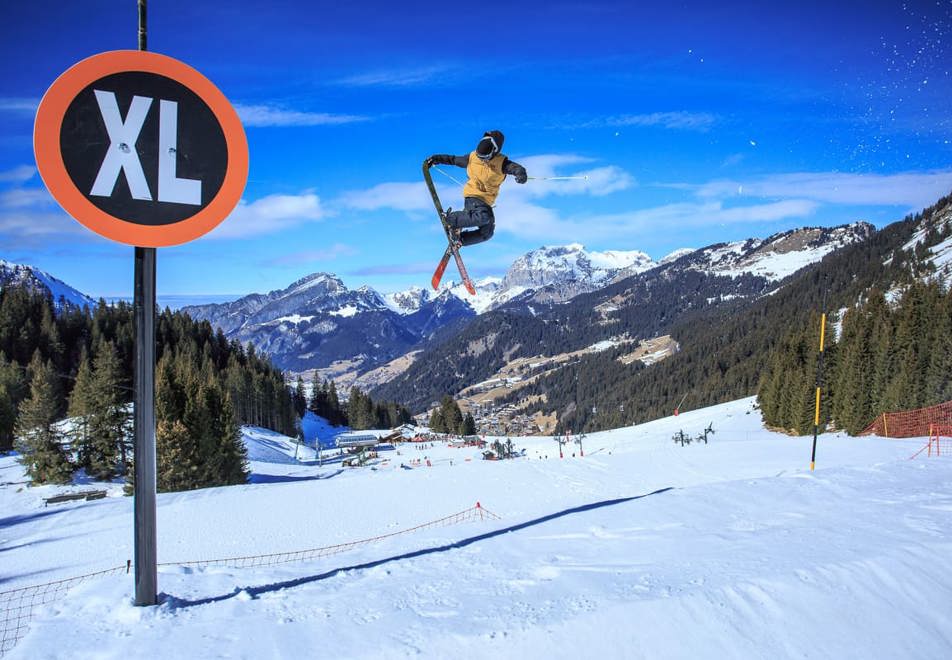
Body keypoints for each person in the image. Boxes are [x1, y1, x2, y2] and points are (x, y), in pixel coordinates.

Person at [426, 130, 527, 247]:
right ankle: (451, 220)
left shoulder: (501, 163)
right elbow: (453, 159)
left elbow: (516, 168)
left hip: (486, 202)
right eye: (480, 156)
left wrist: (521, 175)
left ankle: (460, 240)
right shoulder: (472, 158)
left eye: (484, 157)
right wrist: (435, 159)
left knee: (487, 233)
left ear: (494, 151)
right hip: (473, 196)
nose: (481, 159)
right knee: (484, 217)